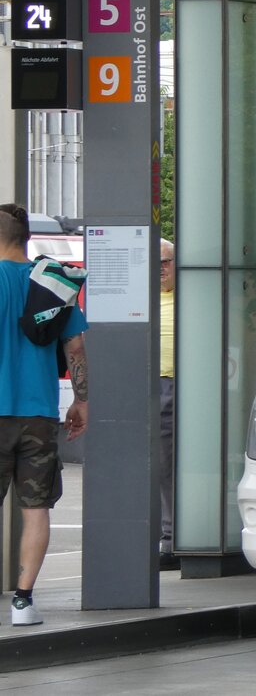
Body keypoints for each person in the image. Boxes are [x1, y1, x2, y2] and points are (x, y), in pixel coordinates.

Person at [0, 203, 89, 626]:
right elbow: (75, 349)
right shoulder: (52, 284)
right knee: (36, 509)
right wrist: (81, 400)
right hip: (37, 414)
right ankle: (23, 602)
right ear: (26, 238)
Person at [159, 239, 178, 571]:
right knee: (162, 466)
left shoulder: (190, 296)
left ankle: (174, 537)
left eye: (164, 262)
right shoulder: (144, 299)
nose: (159, 270)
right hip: (155, 385)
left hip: (188, 385)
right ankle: (168, 537)